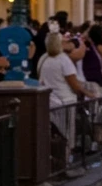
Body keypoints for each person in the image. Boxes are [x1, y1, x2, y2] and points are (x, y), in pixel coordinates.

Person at [37, 31, 98, 159]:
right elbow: (74, 84)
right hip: (65, 101)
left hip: (50, 101)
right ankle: (65, 161)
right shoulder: (63, 60)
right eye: (66, 41)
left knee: (54, 134)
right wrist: (89, 94)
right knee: (67, 134)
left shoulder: (44, 58)